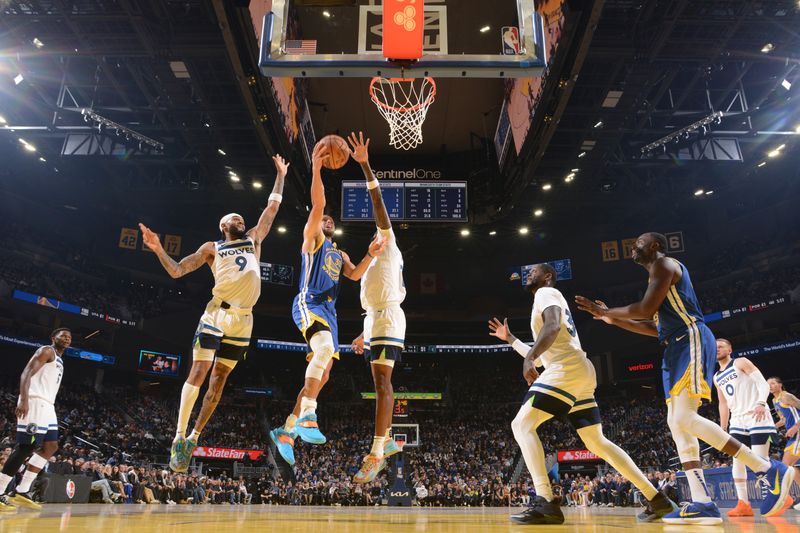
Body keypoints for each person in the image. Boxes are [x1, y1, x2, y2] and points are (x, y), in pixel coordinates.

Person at [575, 232, 793, 523]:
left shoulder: (664, 266)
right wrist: (612, 319)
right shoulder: (658, 281)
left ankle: (768, 469)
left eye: (637, 243)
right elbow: (654, 327)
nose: (632, 248)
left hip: (689, 338)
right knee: (676, 424)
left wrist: (607, 310)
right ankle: (702, 501)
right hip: (673, 345)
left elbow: (645, 309)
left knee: (685, 419)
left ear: (654, 246)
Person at [488, 263, 674, 525]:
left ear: (548, 277)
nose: (529, 274)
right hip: (579, 371)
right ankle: (657, 499)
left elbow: (551, 328)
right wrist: (512, 341)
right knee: (597, 443)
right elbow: (544, 355)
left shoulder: (545, 293)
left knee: (521, 424)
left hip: (566, 368)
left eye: (534, 272)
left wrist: (529, 357)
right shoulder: (545, 299)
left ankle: (545, 501)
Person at [139, 154, 288, 473]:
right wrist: (158, 249)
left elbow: (272, 207)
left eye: (241, 218)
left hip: (244, 320)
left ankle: (193, 437)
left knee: (219, 383)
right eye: (234, 218)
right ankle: (179, 436)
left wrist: (281, 174)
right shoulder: (212, 248)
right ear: (223, 226)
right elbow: (178, 271)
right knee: (199, 372)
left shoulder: (254, 239)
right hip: (216, 314)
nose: (240, 220)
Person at [270, 142, 385, 465]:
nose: (328, 220)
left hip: (330, 313)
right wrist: (317, 169)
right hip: (309, 302)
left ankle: (286, 430)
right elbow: (318, 203)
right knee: (321, 355)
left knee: (324, 376)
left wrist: (370, 255)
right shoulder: (313, 239)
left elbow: (355, 275)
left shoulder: (339, 252)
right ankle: (308, 413)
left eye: (332, 220)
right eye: (325, 219)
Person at [344, 132, 405, 483]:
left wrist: (366, 165)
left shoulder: (388, 239)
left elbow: (379, 204)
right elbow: (375, 298)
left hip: (387, 317)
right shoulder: (373, 261)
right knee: (378, 381)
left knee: (382, 382)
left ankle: (377, 451)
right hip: (377, 319)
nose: (377, 232)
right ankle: (389, 442)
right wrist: (362, 332)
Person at [0, 328, 70, 511]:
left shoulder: (60, 359)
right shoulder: (47, 350)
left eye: (69, 337)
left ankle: (22, 490)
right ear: (53, 338)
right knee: (26, 446)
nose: (67, 338)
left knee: (51, 446)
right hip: (35, 401)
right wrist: (24, 399)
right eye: (63, 335)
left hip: (48, 405)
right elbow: (26, 373)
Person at [714, 338, 777, 517]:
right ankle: (743, 503)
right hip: (737, 420)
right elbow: (723, 403)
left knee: (759, 459)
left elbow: (763, 383)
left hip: (756, 414)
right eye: (715, 347)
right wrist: (723, 426)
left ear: (730, 349)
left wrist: (761, 403)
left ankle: (773, 497)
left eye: (721, 346)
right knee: (737, 461)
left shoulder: (740, 362)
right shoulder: (716, 376)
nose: (717, 349)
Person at [768, 376, 800, 510]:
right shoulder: (775, 400)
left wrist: (796, 427)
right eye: (768, 384)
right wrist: (771, 427)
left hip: (798, 433)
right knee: (795, 469)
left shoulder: (786, 396)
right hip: (793, 436)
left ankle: (785, 498)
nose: (770, 386)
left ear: (780, 385)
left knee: (785, 466)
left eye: (773, 383)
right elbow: (783, 419)